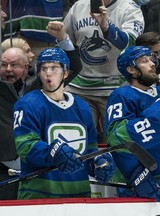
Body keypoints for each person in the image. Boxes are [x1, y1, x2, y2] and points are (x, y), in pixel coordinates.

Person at [0, 26, 82, 200]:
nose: (8, 69)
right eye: (4, 64)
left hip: (39, 167)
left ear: (26, 67)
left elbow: (74, 66)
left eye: (14, 65)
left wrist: (62, 38)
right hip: (2, 167)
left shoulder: (41, 83)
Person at [13, 47, 115, 199]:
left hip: (79, 196)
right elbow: (25, 147)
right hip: (39, 196)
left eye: (54, 68)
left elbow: (90, 149)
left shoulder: (82, 107)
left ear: (65, 73)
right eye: (43, 68)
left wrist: (98, 163)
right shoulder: (27, 104)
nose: (48, 73)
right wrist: (52, 153)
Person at [63, 0, 144, 144]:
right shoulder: (78, 6)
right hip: (81, 88)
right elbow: (68, 41)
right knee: (77, 142)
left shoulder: (130, 8)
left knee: (118, 144)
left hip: (117, 90)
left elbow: (130, 43)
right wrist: (60, 37)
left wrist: (106, 26)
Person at [104, 46, 160, 200]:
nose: (152, 63)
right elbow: (117, 140)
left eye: (152, 59)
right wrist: (137, 175)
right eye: (144, 60)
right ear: (131, 69)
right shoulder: (122, 95)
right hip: (143, 181)